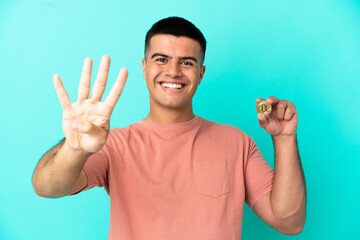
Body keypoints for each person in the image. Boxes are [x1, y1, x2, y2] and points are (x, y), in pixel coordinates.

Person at [32, 16, 306, 239]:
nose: (173, 71)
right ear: (144, 67)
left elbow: (288, 221)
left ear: (200, 74)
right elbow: (46, 187)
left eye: (186, 63)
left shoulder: (236, 142)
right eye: (161, 59)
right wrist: (74, 147)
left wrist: (284, 138)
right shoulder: (113, 144)